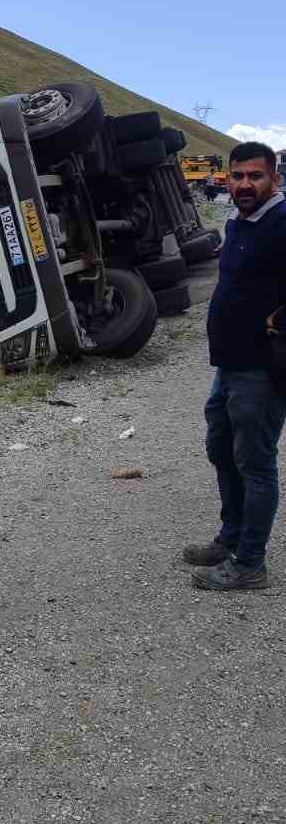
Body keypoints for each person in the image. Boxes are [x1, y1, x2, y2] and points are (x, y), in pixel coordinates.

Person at [184, 141, 286, 592]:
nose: (245, 184)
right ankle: (230, 539)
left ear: (274, 179)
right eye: (238, 176)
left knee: (255, 462)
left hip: (261, 370)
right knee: (223, 452)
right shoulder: (240, 221)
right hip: (228, 364)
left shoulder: (282, 222)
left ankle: (250, 563)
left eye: (255, 176)